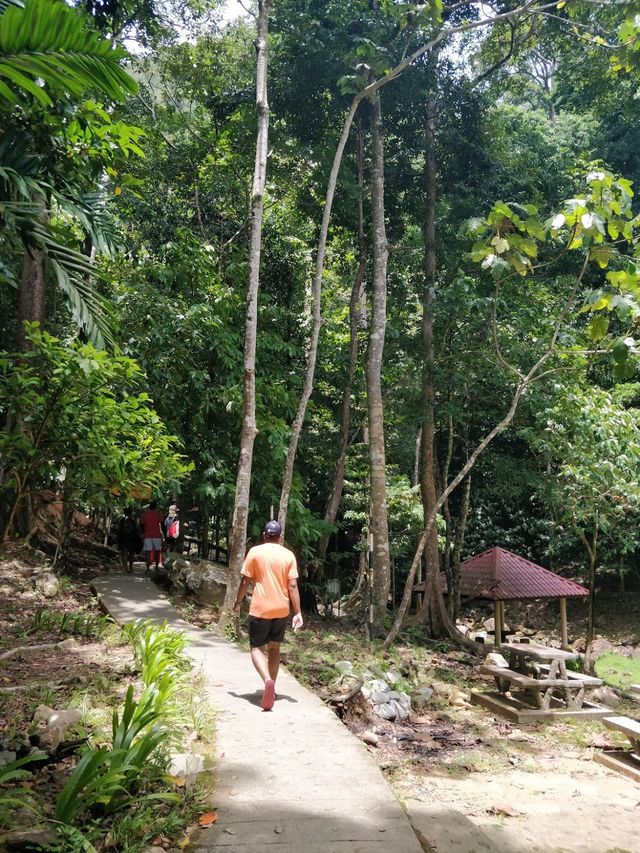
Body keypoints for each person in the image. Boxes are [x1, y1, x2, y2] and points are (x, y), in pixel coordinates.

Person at [233, 520, 303, 711]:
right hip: (281, 609)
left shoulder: (255, 552)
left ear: (264, 535)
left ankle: (267, 681)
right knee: (274, 648)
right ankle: (273, 684)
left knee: (257, 648)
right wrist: (297, 612)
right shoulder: (288, 555)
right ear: (279, 537)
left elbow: (245, 581)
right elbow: (293, 585)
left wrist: (238, 603)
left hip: (260, 608)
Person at [139, 500, 165, 570]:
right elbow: (163, 525)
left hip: (147, 535)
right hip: (157, 535)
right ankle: (156, 567)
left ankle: (148, 568)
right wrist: (164, 534)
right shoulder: (158, 515)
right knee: (157, 551)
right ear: (156, 507)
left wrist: (143, 532)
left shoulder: (145, 515)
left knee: (148, 552)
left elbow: (141, 524)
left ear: (149, 507)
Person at [116, 506, 140, 572]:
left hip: (123, 539)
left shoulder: (121, 520)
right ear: (131, 513)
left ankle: (125, 568)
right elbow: (137, 530)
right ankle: (131, 567)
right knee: (131, 553)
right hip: (132, 539)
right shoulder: (133, 521)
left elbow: (118, 530)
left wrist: (118, 539)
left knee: (124, 553)